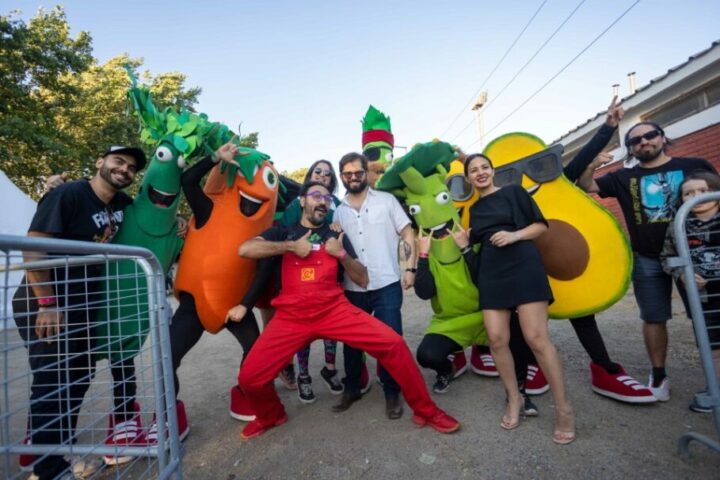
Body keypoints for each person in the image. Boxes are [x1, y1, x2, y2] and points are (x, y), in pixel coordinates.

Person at [236, 181, 460, 439]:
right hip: (291, 318)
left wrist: (341, 253)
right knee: (249, 377)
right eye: (315, 195)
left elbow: (362, 279)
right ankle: (271, 415)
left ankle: (427, 411)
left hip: (333, 311)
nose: (322, 201)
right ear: (302, 200)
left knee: (394, 344)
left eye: (327, 198)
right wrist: (290, 246)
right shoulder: (283, 231)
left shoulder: (336, 235)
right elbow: (245, 249)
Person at [12, 146, 145, 479]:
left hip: (82, 304)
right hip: (45, 303)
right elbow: (34, 245)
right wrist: (47, 303)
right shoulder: (69, 194)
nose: (124, 169)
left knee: (78, 379)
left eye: (131, 167)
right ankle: (47, 471)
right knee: (53, 383)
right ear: (100, 162)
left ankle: (59, 455)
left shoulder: (121, 204)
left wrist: (180, 220)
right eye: (118, 161)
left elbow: (151, 212)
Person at [524, 96, 656, 404]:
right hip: (530, 270)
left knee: (583, 314)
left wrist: (608, 127)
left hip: (565, 267)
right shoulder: (509, 195)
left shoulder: (559, 184)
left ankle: (605, 369)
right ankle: (531, 365)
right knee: (526, 319)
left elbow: (582, 158)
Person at [578, 121, 716, 401]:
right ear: (630, 149)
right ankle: (659, 374)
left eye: (650, 135)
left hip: (694, 256)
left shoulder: (694, 165)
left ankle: (714, 383)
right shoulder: (623, 176)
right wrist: (592, 164)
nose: (644, 142)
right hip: (647, 258)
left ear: (662, 137)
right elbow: (586, 185)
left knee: (706, 317)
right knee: (653, 317)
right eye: (635, 141)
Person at [452, 153, 575, 444]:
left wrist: (514, 235)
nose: (480, 172)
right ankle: (514, 398)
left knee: (536, 338)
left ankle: (564, 409)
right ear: (468, 179)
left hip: (523, 266)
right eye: (474, 170)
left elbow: (540, 226)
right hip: (492, 274)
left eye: (485, 167)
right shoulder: (475, 209)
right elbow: (479, 247)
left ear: (493, 170)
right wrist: (465, 247)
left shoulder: (514, 192)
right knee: (496, 339)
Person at [332, 152, 416, 419]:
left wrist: (411, 268)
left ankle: (392, 392)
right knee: (351, 342)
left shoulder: (387, 201)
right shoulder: (337, 211)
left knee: (390, 340)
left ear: (366, 172)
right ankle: (352, 388)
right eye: (348, 174)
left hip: (386, 283)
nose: (353, 177)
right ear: (342, 176)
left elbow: (407, 232)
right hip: (353, 287)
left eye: (358, 172)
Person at [279, 160, 344, 402]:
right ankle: (303, 375)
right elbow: (283, 231)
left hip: (329, 274)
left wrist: (337, 228)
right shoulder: (297, 203)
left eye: (328, 174)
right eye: (318, 171)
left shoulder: (336, 204)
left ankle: (330, 369)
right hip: (300, 276)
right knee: (303, 331)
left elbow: (344, 231)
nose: (322, 176)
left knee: (331, 327)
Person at [660, 171, 720, 412]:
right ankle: (716, 391)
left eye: (703, 191)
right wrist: (683, 275)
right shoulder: (678, 225)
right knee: (711, 345)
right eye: (688, 193)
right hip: (704, 299)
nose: (696, 197)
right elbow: (667, 257)